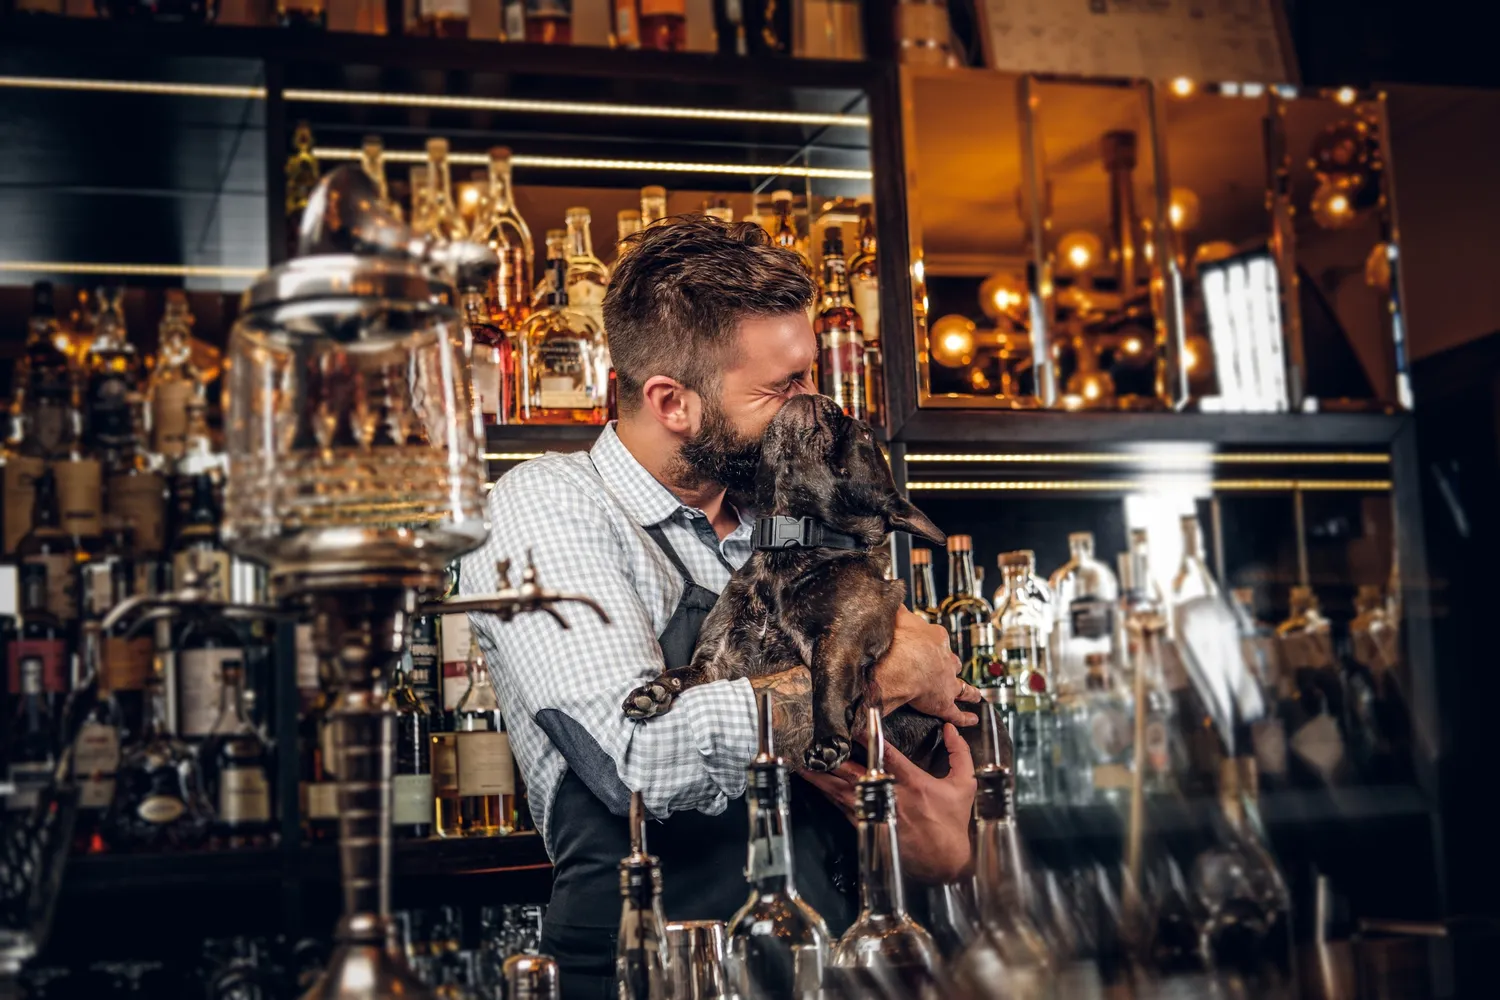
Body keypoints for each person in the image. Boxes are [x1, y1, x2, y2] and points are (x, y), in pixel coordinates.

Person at [461, 215, 980, 997]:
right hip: (658, 975)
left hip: (840, 966)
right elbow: (633, 760)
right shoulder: (545, 507)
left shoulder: (801, 518)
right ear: (673, 402)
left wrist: (948, 846)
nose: (816, 406)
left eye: (812, 376)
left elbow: (927, 783)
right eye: (783, 388)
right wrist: (877, 675)